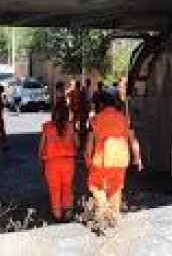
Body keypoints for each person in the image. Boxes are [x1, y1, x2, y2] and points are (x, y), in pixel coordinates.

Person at [85, 94, 142, 224]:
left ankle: (104, 208)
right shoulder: (125, 119)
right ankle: (114, 217)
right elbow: (133, 141)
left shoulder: (94, 120)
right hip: (121, 161)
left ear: (100, 105)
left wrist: (88, 158)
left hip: (102, 161)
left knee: (95, 185)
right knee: (116, 189)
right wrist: (138, 159)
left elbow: (89, 144)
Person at [38, 104, 78, 222]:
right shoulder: (71, 127)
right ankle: (68, 213)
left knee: (54, 189)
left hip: (51, 163)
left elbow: (41, 146)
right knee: (67, 187)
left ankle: (57, 215)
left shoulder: (47, 127)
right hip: (68, 162)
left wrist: (40, 160)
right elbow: (77, 143)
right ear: (67, 115)